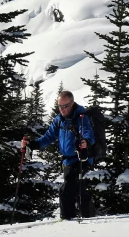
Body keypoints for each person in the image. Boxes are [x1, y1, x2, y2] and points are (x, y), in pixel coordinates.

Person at [21, 90, 96, 219]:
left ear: (72, 104)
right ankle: (89, 216)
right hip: (67, 161)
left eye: (65, 106)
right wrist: (32, 145)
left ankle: (67, 219)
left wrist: (85, 142)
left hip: (80, 158)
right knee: (79, 190)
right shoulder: (59, 120)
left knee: (66, 190)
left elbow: (87, 132)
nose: (62, 109)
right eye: (59, 106)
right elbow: (48, 137)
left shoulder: (81, 118)